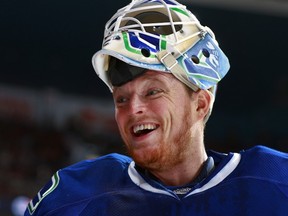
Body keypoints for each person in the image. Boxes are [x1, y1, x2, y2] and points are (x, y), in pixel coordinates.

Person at [25, 0, 288, 215]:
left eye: (153, 91)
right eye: (122, 99)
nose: (134, 109)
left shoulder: (275, 182)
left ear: (200, 103)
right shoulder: (73, 197)